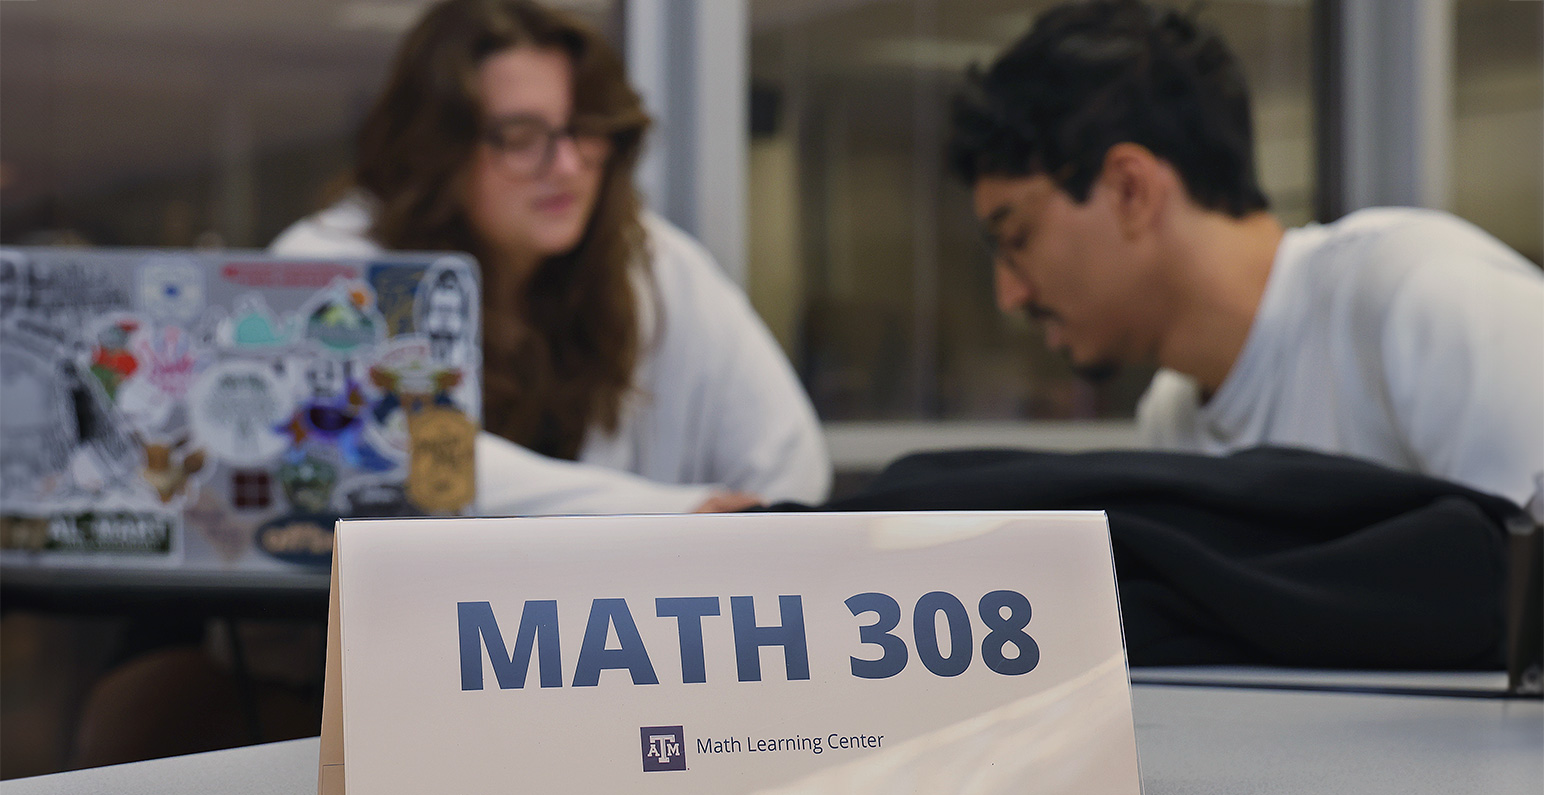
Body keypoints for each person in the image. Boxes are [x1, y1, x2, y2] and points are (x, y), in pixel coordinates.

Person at [947, 0, 1543, 506]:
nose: (1011, 293)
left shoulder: (1424, 300)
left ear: (1131, 190)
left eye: (1017, 238)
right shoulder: (1173, 415)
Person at [272, 0, 830, 514]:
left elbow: (790, 467)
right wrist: (670, 516)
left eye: (584, 131)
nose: (565, 166)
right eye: (521, 136)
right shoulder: (332, 269)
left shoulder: (653, 263)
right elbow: (399, 458)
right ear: (437, 150)